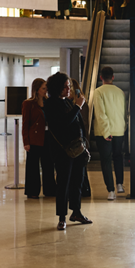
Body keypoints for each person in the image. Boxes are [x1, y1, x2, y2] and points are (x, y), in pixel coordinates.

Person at [44, 72, 92, 230]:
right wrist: (78, 106)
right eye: (65, 87)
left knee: (78, 181)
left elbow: (77, 124)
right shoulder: (51, 104)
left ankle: (76, 211)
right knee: (63, 184)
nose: (68, 89)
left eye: (69, 86)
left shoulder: (67, 102)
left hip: (76, 150)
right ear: (57, 87)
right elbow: (63, 123)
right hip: (62, 151)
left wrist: (84, 146)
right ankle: (62, 217)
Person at [91, 66, 126, 200]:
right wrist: (123, 127)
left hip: (104, 132)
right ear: (113, 77)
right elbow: (123, 112)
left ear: (101, 78)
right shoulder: (120, 92)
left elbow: (100, 114)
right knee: (118, 157)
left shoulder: (98, 92)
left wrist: (106, 131)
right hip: (119, 129)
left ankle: (111, 190)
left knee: (106, 161)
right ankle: (120, 184)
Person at [22, 78, 55, 199]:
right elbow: (25, 124)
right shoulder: (28, 103)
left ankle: (50, 189)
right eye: (43, 88)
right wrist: (26, 141)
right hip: (34, 138)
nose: (46, 90)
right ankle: (32, 191)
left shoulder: (48, 102)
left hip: (48, 137)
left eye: (46, 88)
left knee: (48, 164)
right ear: (37, 89)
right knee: (33, 166)